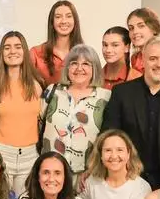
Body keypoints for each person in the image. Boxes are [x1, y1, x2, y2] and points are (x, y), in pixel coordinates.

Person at [102, 36, 160, 189]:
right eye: (153, 58)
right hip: (128, 179)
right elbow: (109, 135)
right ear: (143, 61)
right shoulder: (122, 93)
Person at [40, 44, 111, 176]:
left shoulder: (106, 98)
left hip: (87, 175)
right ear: (67, 68)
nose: (79, 68)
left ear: (94, 68)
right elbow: (38, 126)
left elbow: (108, 137)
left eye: (86, 64)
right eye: (74, 63)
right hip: (51, 173)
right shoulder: (52, 91)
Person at [0, 31, 43, 190]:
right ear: (1, 53)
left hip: (30, 156)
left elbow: (39, 123)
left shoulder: (36, 86)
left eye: (18, 47)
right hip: (0, 154)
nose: (12, 51)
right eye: (7, 47)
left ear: (24, 51)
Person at [30, 0, 84, 87]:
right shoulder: (35, 53)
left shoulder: (85, 54)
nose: (63, 21)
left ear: (75, 21)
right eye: (58, 17)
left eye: (68, 16)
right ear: (52, 22)